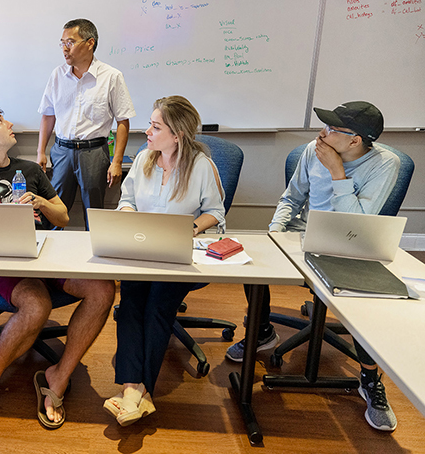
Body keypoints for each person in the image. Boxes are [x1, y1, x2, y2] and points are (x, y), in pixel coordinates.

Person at [224, 101, 401, 431]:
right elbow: (292, 199)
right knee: (253, 262)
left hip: (351, 246)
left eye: (333, 129)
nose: (323, 133)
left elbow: (357, 224)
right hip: (303, 237)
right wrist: (274, 234)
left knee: (367, 299)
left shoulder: (386, 165)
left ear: (355, 141)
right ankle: (262, 332)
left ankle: (369, 378)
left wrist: (336, 171)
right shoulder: (311, 150)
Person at [0, 104, 115, 433]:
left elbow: (64, 217)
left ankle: (59, 375)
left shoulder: (30, 171)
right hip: (1, 265)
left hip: (45, 255)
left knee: (103, 288)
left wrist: (40, 202)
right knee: (38, 303)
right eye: (0, 121)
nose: (10, 123)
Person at [103, 96, 225, 426]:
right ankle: (134, 390)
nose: (146, 131)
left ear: (178, 135)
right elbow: (126, 201)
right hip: (142, 252)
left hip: (178, 257)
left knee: (157, 304)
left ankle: (136, 390)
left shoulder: (201, 167)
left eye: (155, 126)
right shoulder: (144, 159)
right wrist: (129, 218)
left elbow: (216, 213)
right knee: (129, 304)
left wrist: (191, 228)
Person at [37, 18, 136, 224]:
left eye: (70, 42)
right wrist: (40, 152)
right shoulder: (57, 75)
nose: (65, 49)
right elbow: (48, 115)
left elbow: (123, 121)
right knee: (55, 209)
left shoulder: (111, 76)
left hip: (94, 152)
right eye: (62, 43)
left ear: (90, 43)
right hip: (62, 151)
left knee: (94, 212)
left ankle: (94, 250)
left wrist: (117, 161)